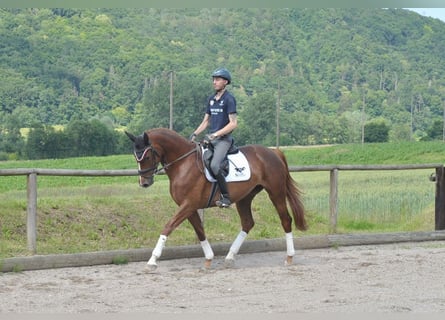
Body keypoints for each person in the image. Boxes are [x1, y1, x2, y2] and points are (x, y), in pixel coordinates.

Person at [190, 67, 238, 208]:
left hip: (223, 140)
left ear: (225, 82)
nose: (214, 82)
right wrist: (195, 134)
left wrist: (215, 134)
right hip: (211, 140)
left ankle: (226, 197)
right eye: (213, 79)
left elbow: (233, 123)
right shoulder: (211, 99)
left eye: (217, 79)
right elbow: (206, 121)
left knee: (215, 165)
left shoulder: (229, 99)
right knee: (203, 161)